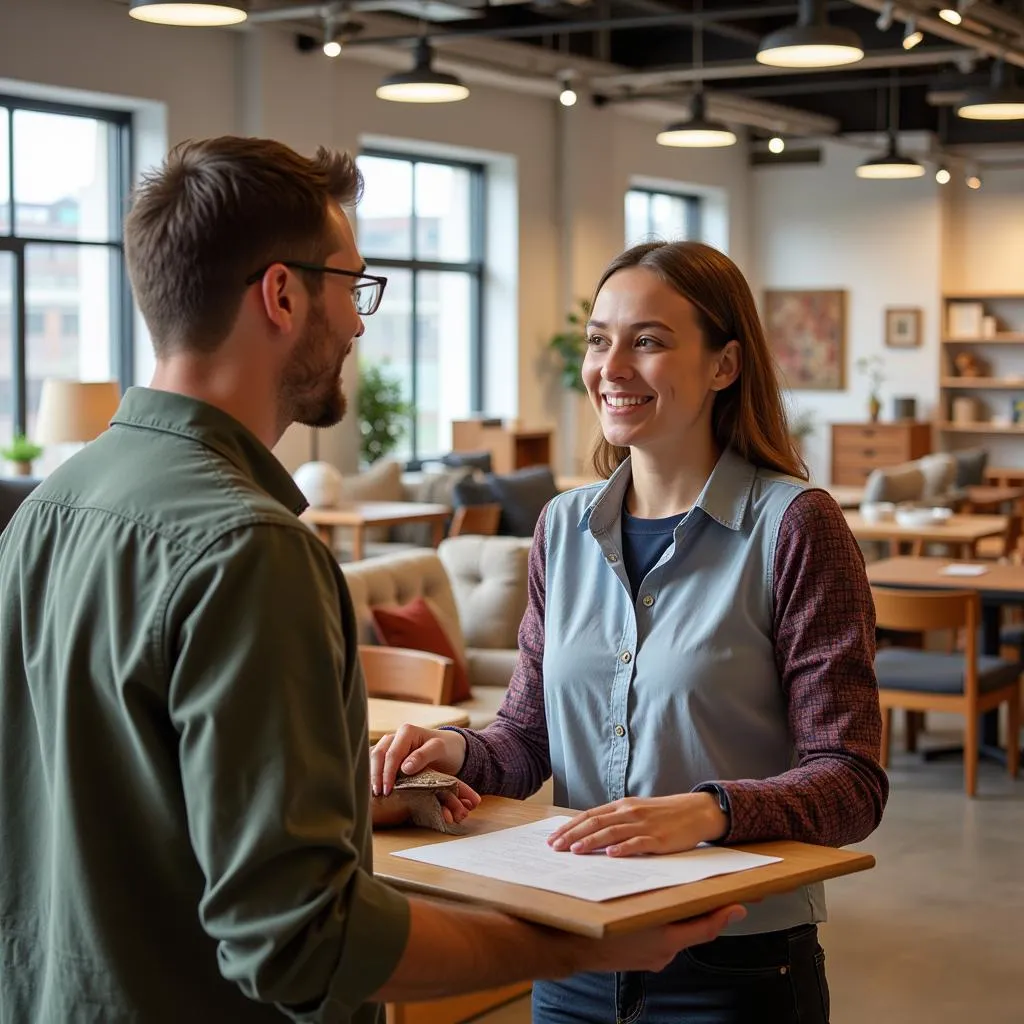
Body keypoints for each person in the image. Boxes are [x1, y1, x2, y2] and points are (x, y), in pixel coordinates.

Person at [0, 142, 744, 1023]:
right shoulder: (250, 548)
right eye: (352, 287)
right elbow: (303, 939)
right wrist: (576, 940)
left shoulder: (47, 511)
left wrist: (347, 801)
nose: (358, 324)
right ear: (282, 295)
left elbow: (110, 802)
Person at [372, 240, 890, 1024]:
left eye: (647, 340)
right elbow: (528, 738)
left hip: (735, 968)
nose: (611, 366)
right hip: (573, 948)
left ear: (724, 365)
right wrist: (460, 752)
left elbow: (851, 780)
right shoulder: (562, 527)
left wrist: (709, 811)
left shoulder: (795, 528)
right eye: (599, 339)